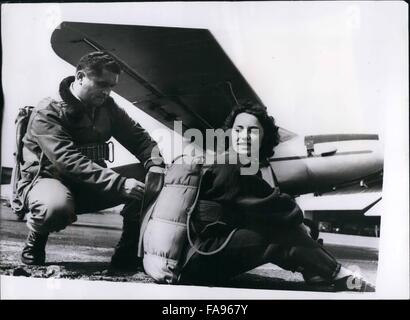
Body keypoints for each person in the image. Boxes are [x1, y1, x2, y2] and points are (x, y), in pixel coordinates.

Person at [177, 101, 375, 292]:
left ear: (264, 137)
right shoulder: (231, 166)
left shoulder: (239, 164)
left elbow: (270, 207)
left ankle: (317, 271)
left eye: (252, 131)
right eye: (238, 129)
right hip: (199, 260)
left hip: (202, 256)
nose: (244, 136)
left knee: (283, 228)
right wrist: (299, 223)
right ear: (230, 133)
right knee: (282, 233)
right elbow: (278, 207)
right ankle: (340, 275)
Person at [16, 51, 165, 270]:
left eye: (111, 86)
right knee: (53, 208)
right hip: (48, 181)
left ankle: (127, 252)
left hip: (89, 185)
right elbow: (67, 160)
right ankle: (36, 240)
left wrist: (155, 165)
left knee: (153, 178)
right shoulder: (48, 110)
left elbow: (141, 140)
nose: (107, 91)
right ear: (80, 77)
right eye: (101, 83)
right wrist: (120, 183)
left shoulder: (108, 109)